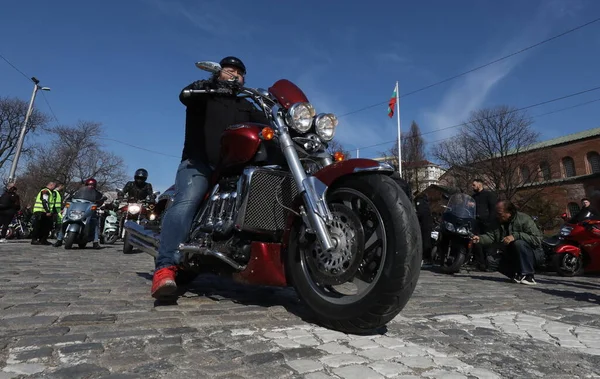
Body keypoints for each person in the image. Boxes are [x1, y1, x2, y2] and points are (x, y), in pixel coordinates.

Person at [151, 56, 269, 300]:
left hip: (234, 168)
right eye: (229, 70)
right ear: (218, 73)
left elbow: (267, 124)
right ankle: (165, 267)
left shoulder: (246, 106)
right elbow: (185, 95)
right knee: (187, 201)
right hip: (199, 163)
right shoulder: (204, 95)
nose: (234, 75)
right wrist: (205, 85)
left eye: (239, 72)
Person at [472, 200, 544, 285]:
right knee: (491, 260)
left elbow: (537, 239)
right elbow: (491, 236)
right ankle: (517, 275)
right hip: (511, 254)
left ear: (509, 212)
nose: (498, 216)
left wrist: (515, 236)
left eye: (500, 213)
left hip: (532, 254)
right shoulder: (496, 222)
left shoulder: (524, 219)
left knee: (518, 243)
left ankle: (528, 275)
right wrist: (480, 239)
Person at [54, 178, 105, 249]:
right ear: (86, 185)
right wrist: (68, 200)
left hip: (89, 211)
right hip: (77, 209)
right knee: (65, 220)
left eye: (93, 185)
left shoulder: (97, 193)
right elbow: (71, 197)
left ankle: (95, 242)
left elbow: (101, 200)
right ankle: (59, 239)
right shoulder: (78, 192)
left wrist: (100, 202)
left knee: (94, 222)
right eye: (89, 184)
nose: (91, 186)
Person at [471, 178, 498, 271]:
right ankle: (480, 264)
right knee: (476, 242)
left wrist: (490, 221)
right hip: (476, 222)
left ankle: (490, 264)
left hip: (487, 222)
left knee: (488, 244)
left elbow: (493, 209)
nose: (472, 186)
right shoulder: (473, 197)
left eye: (474, 185)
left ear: (479, 184)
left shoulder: (489, 195)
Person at [414, 192, 433, 265]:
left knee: (424, 241)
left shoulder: (419, 201)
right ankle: (428, 258)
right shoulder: (425, 202)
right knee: (427, 240)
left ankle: (425, 258)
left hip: (424, 224)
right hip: (428, 223)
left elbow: (421, 213)